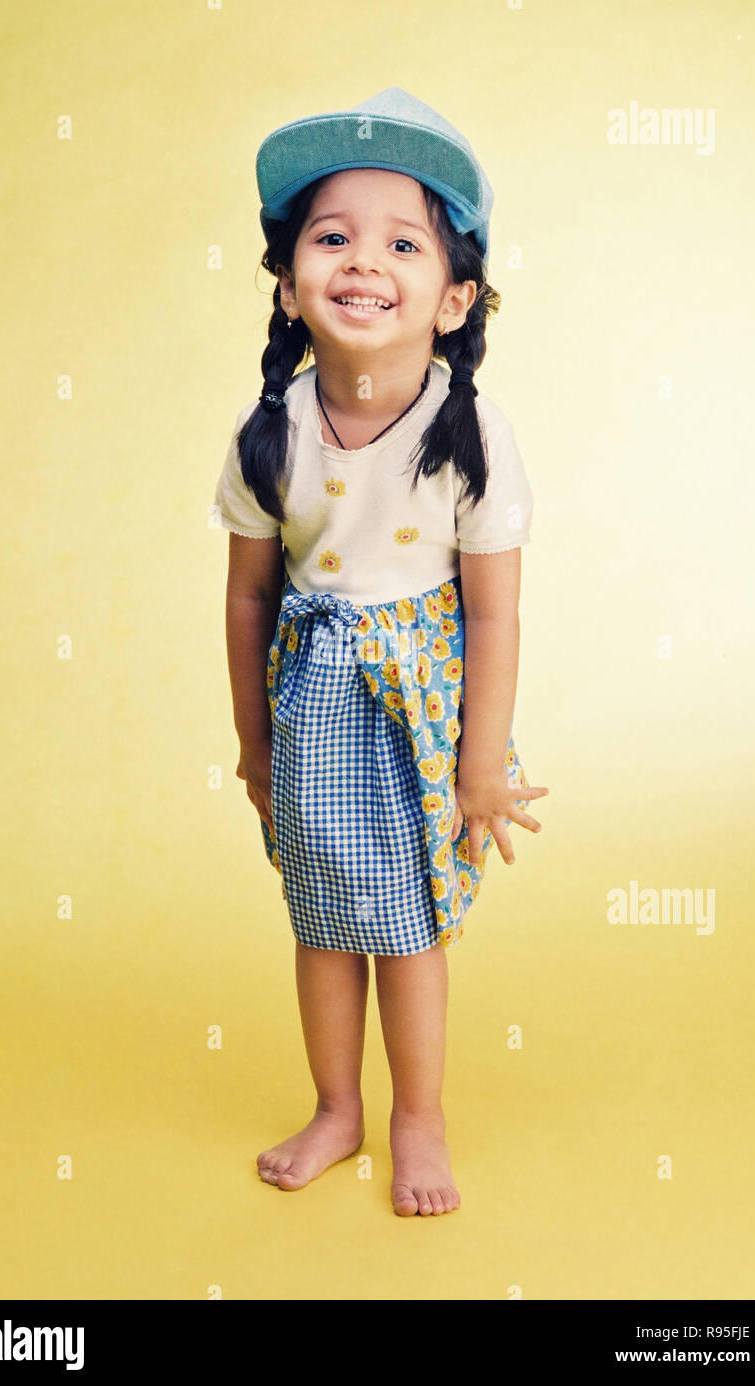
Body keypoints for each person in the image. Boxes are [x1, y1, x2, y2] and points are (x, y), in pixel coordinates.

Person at [212, 87, 549, 1217]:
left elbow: (493, 614)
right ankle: (336, 1108)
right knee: (320, 921)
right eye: (332, 237)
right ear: (288, 282)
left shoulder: (471, 434)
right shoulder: (272, 432)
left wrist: (481, 766)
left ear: (454, 300)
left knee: (403, 929)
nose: (363, 261)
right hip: (311, 707)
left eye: (403, 243)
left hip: (419, 715)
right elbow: (249, 596)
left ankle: (417, 1119)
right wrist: (255, 746)